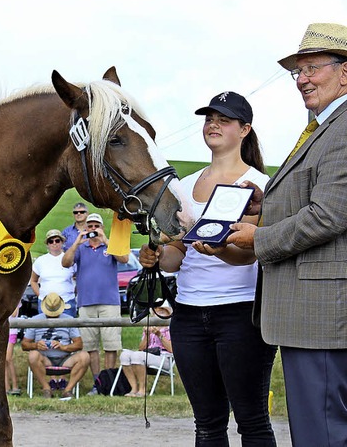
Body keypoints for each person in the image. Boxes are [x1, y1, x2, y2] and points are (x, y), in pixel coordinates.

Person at [226, 23, 347, 446]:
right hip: (315, 313)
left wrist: (257, 239)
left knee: (323, 431)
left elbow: (328, 216)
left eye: (312, 68)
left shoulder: (343, 128)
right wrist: (267, 207)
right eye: (298, 72)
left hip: (323, 315)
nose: (302, 80)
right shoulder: (324, 127)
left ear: (345, 73)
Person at [139, 90, 277, 445]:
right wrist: (155, 255)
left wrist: (219, 252)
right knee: (207, 423)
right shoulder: (183, 187)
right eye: (208, 118)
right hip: (188, 313)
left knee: (252, 420)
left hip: (241, 311)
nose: (213, 124)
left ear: (244, 129)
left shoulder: (261, 186)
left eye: (224, 119)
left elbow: (251, 252)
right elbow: (177, 257)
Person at [62, 213, 129, 395]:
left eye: (96, 226)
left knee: (110, 344)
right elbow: (65, 262)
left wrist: (105, 240)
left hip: (109, 302)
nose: (93, 229)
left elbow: (125, 259)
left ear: (101, 227)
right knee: (90, 346)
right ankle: (97, 383)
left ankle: (108, 383)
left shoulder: (110, 245)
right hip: (86, 302)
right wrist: (77, 242)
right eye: (89, 226)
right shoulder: (81, 248)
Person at [21, 293, 90, 400]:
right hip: (44, 358)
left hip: (65, 358)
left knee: (84, 357)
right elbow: (24, 345)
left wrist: (64, 347)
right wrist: (36, 345)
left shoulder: (69, 320)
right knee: (33, 355)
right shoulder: (35, 320)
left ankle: (68, 390)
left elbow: (79, 344)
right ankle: (46, 388)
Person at [119, 306, 172, 398]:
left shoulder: (170, 329)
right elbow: (141, 348)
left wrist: (159, 335)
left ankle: (142, 390)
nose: (159, 314)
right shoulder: (150, 328)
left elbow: (172, 349)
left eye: (163, 312)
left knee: (138, 356)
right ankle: (134, 388)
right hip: (147, 355)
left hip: (164, 358)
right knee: (125, 355)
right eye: (158, 312)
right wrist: (147, 335)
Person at [30, 229, 77, 317]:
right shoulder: (40, 261)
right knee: (44, 330)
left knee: (67, 329)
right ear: (47, 244)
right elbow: (33, 280)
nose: (54, 243)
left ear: (62, 242)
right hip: (46, 303)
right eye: (51, 241)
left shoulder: (69, 258)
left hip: (67, 301)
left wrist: (73, 292)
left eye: (57, 240)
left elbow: (79, 277)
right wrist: (41, 295)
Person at [5, 304, 21, 396]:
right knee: (3, 360)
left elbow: (14, 314)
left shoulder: (15, 299)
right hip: (2, 330)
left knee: (8, 358)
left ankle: (15, 386)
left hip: (12, 331)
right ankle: (6, 387)